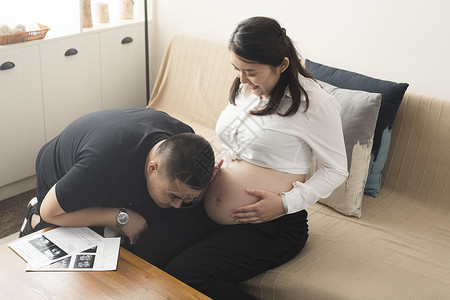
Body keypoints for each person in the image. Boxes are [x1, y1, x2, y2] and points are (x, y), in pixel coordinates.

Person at [129, 17, 348, 299]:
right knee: (147, 250)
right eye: (236, 68)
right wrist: (218, 164)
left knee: (186, 275)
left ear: (282, 65)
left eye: (251, 72)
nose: (242, 79)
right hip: (210, 210)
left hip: (271, 226)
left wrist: (285, 203)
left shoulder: (314, 104)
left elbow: (336, 170)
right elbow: (240, 143)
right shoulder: (247, 88)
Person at [19, 107, 215, 245]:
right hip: (58, 173)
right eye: (173, 195)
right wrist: (121, 217)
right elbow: (50, 211)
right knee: (87, 237)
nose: (177, 204)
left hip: (111, 151)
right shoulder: (101, 167)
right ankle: (33, 217)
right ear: (152, 168)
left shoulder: (184, 137)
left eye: (186, 198)